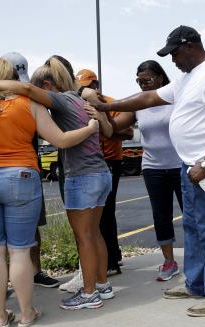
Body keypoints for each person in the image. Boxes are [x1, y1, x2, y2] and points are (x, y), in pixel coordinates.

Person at [0, 57, 101, 327]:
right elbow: (59, 140)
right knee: (20, 251)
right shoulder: (30, 103)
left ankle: (1, 317)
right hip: (21, 175)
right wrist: (90, 128)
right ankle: (27, 313)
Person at [89, 25, 205, 317]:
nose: (172, 61)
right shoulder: (187, 79)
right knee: (194, 227)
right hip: (190, 165)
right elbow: (147, 99)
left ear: (191, 46)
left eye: (175, 53)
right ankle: (196, 284)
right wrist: (108, 106)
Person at [113, 60, 182, 281]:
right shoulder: (139, 104)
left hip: (181, 166)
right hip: (153, 168)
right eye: (139, 81)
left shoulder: (176, 99)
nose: (142, 85)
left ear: (160, 78)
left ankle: (200, 259)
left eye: (147, 80)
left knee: (192, 214)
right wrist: (98, 110)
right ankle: (169, 262)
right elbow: (114, 127)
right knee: (161, 216)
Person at [2, 52, 59, 288]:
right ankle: (6, 279)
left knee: (33, 227)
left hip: (27, 171)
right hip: (3, 171)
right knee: (0, 233)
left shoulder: (30, 101)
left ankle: (35, 272)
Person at [76, 69, 133, 276]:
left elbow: (128, 132)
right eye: (82, 86)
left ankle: (110, 262)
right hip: (89, 163)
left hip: (110, 161)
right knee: (95, 215)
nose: (86, 90)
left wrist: (104, 127)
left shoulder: (110, 103)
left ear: (96, 86)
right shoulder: (78, 104)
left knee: (106, 213)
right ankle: (113, 255)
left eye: (89, 86)